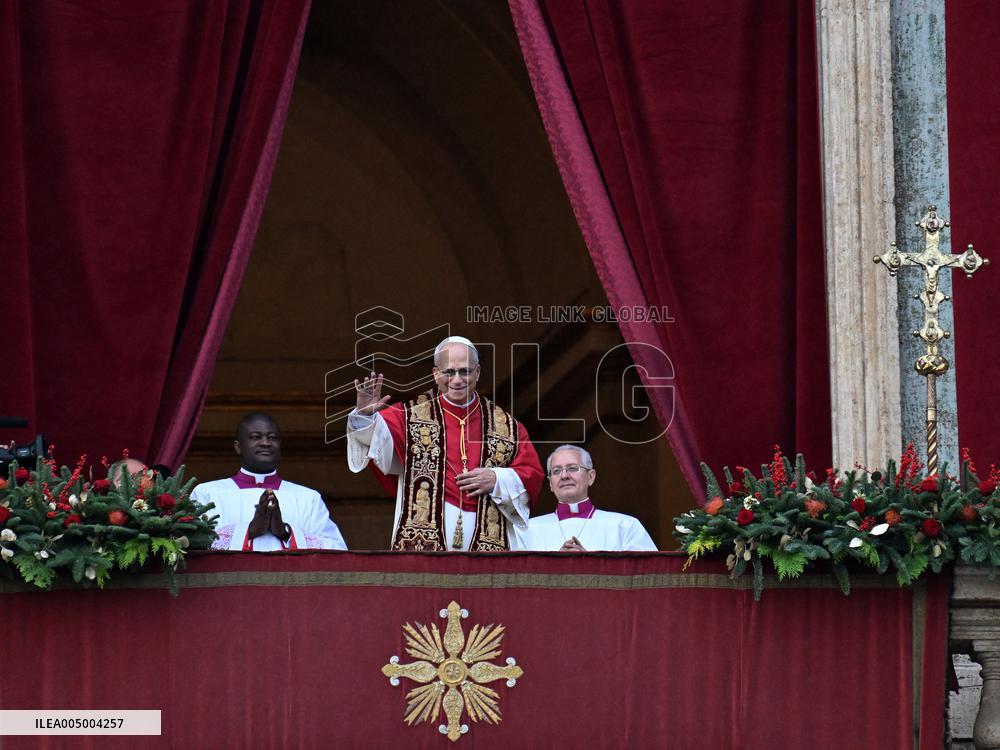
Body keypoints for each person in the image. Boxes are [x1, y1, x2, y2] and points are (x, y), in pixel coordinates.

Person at [346, 336, 543, 551]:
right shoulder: (408, 416)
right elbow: (379, 448)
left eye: (465, 371)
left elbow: (532, 473)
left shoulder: (507, 427)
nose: (457, 380)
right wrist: (364, 417)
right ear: (436, 374)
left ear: (477, 372)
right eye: (449, 372)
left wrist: (497, 479)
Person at [191, 412, 347, 551]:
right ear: (238, 447)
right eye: (255, 437)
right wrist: (249, 531)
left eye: (272, 437)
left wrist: (286, 533)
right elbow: (191, 545)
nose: (265, 442)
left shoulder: (308, 498)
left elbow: (336, 550)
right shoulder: (208, 494)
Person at [527, 445, 656, 552]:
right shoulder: (528, 530)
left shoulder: (625, 526)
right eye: (556, 471)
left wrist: (591, 564)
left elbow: (646, 575)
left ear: (590, 477)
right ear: (550, 483)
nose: (564, 475)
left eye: (572, 468)